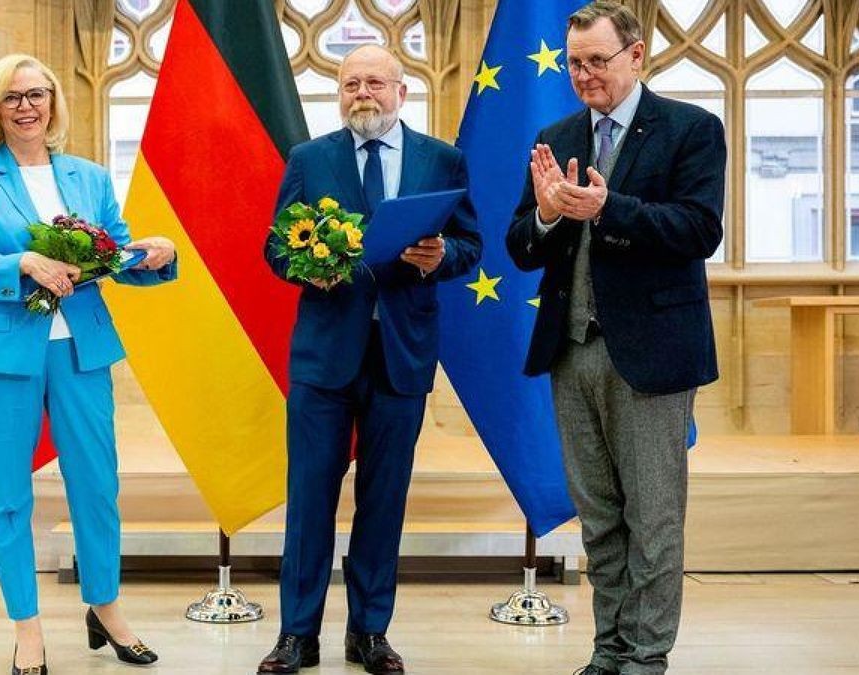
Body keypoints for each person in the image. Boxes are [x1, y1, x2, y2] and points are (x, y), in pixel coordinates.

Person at [504, 3, 725, 674]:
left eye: (597, 61)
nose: (583, 74)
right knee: (599, 516)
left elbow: (697, 230)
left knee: (653, 515)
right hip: (571, 351)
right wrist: (545, 213)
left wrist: (610, 208)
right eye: (574, 62)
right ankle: (610, 647)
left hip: (652, 354)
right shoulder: (557, 132)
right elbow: (520, 245)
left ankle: (647, 654)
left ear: (637, 56)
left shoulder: (690, 129)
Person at [0, 53, 177, 675]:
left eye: (37, 94)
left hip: (81, 348)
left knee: (98, 486)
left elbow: (113, 254)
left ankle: (105, 607)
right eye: (13, 97)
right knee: (7, 496)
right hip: (2, 354)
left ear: (53, 101)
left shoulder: (90, 177)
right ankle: (27, 628)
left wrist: (156, 252)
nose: (26, 106)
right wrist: (23, 264)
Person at [257, 44, 482, 675]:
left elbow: (470, 244)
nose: (364, 94)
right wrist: (311, 265)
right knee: (309, 503)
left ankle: (370, 632)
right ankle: (297, 636)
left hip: (401, 357)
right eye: (351, 83)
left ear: (401, 91)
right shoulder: (310, 158)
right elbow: (277, 249)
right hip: (324, 360)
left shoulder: (442, 159)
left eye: (376, 83)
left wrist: (444, 259)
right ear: (339, 93)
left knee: (384, 502)